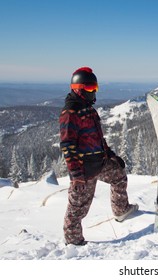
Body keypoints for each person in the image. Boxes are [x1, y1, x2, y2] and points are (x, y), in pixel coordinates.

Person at [59, 67, 138, 246]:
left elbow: (98, 138)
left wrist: (111, 156)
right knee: (77, 209)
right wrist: (77, 176)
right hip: (84, 169)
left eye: (95, 88)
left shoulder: (89, 110)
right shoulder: (70, 113)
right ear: (78, 89)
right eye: (89, 89)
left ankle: (121, 210)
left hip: (100, 162)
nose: (93, 92)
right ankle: (74, 243)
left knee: (119, 176)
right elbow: (68, 146)